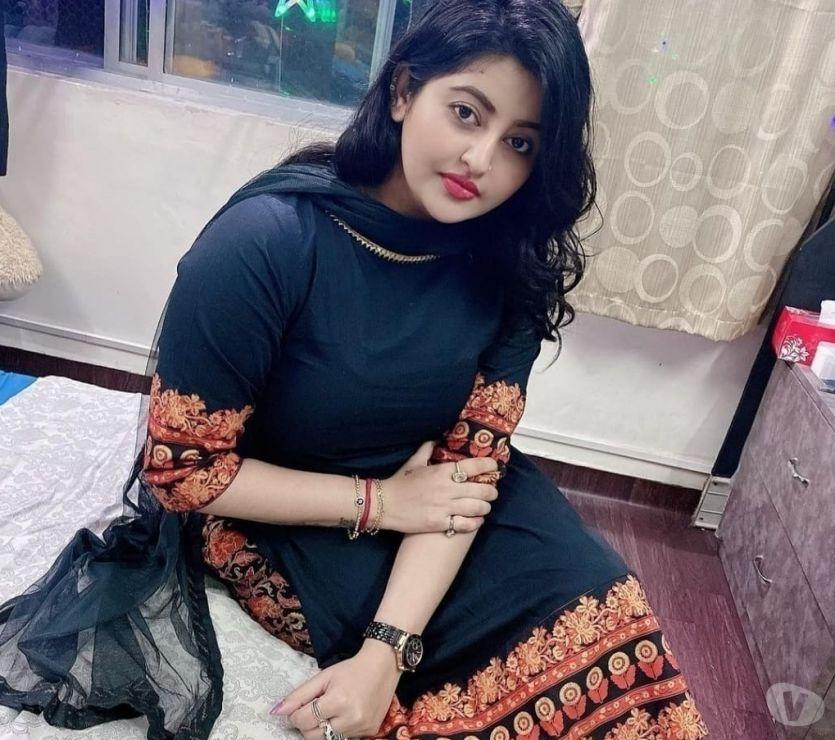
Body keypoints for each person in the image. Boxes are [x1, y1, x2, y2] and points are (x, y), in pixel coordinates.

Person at [0, 1, 709, 738]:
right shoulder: (267, 243)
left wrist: (386, 651)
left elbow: (467, 472)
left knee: (613, 626)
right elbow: (184, 475)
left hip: (446, 505)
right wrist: (382, 506)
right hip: (284, 510)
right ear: (403, 91)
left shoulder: (511, 261)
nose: (482, 159)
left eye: (520, 143)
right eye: (466, 113)